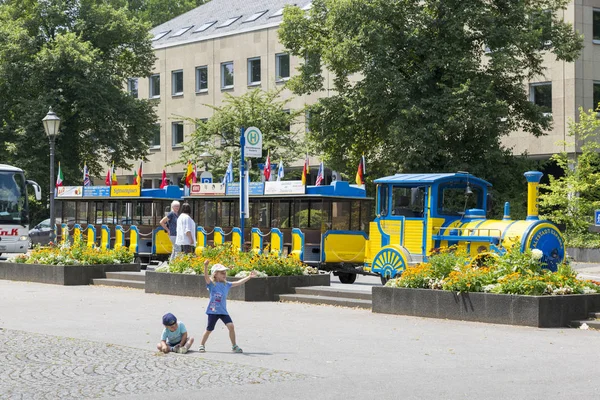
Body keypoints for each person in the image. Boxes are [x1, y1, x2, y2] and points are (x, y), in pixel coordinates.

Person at [199, 260, 256, 353]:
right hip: (213, 311)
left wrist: (249, 277)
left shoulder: (226, 284)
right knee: (209, 329)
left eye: (225, 273)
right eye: (222, 273)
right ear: (215, 274)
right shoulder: (212, 284)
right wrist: (205, 266)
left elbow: (238, 282)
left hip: (223, 311)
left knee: (231, 326)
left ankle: (234, 346)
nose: (224, 274)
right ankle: (202, 345)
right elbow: (206, 277)